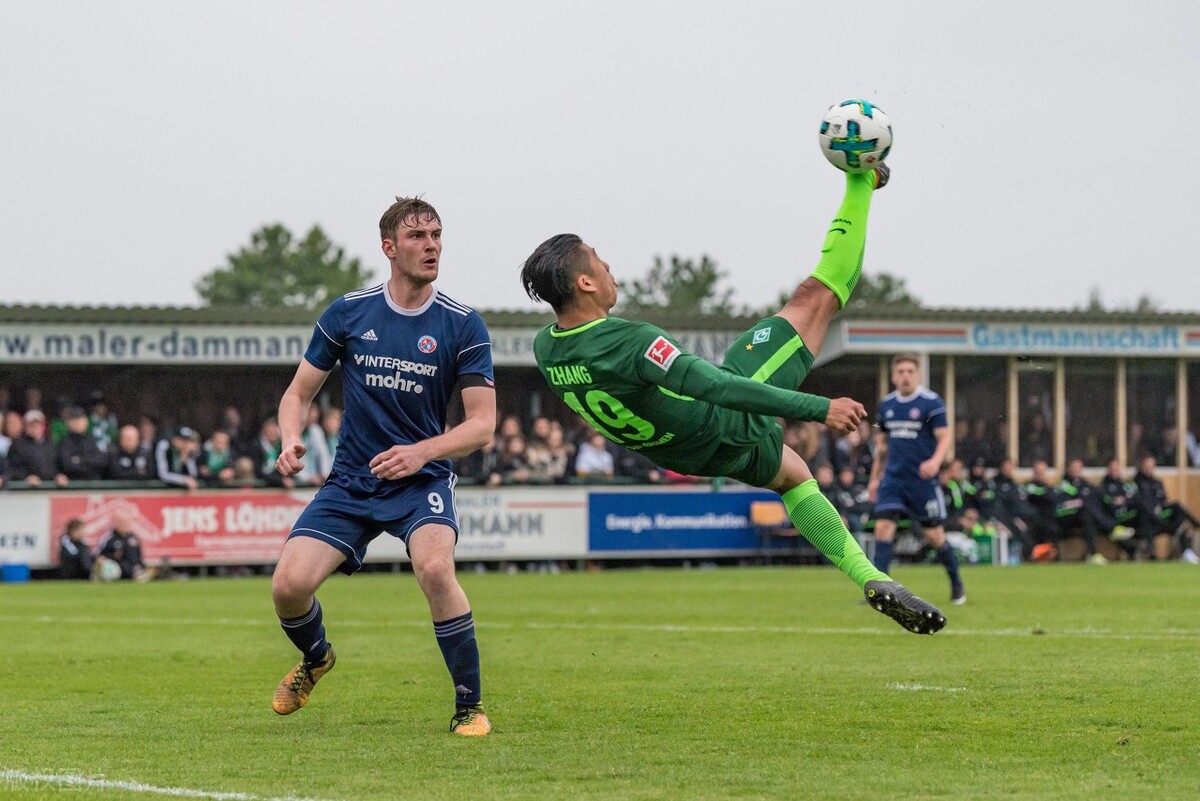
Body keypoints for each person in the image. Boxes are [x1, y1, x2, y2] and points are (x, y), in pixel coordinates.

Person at [520, 164, 945, 634]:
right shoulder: (631, 341)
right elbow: (718, 388)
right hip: (720, 419)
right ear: (585, 283)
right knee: (817, 295)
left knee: (794, 476)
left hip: (687, 453)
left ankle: (871, 577)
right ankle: (861, 182)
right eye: (599, 261)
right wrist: (820, 408)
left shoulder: (547, 347)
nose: (608, 268)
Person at [270, 196, 496, 736]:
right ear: (389, 248)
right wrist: (290, 438)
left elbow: (482, 425)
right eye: (418, 236)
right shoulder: (349, 312)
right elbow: (297, 393)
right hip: (352, 481)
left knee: (437, 569)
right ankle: (317, 657)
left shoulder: (463, 325)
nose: (432, 245)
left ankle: (470, 706)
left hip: (421, 480)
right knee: (287, 587)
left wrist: (423, 451)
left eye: (437, 234)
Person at [866, 354, 965, 604]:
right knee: (883, 528)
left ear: (917, 375)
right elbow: (882, 445)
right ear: (893, 376)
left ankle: (956, 584)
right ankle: (882, 592)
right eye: (900, 371)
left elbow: (945, 436)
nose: (905, 376)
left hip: (921, 481)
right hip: (893, 479)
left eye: (910, 371)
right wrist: (874, 479)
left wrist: (935, 461)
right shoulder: (886, 405)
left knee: (934, 536)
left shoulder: (931, 403)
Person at [7, 409, 67, 487]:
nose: (36, 427)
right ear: (26, 426)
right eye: (32, 424)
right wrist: (26, 478)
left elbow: (57, 466)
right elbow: (11, 469)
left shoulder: (50, 445)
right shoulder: (17, 446)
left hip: (50, 490)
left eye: (39, 424)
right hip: (26, 492)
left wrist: (59, 476)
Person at [93, 509, 152, 581]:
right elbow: (97, 554)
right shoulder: (108, 538)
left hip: (135, 568)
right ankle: (135, 575)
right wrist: (103, 560)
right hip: (116, 569)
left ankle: (139, 573)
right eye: (122, 522)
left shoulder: (134, 538)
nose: (124, 524)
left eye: (127, 522)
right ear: (116, 522)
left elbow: (138, 557)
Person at [56, 406, 107, 481]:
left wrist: (79, 460)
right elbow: (67, 465)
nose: (78, 423)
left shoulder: (91, 440)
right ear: (68, 423)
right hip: (73, 485)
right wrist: (89, 461)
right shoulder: (64, 443)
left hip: (93, 483)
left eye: (81, 420)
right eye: (75, 420)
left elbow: (101, 462)